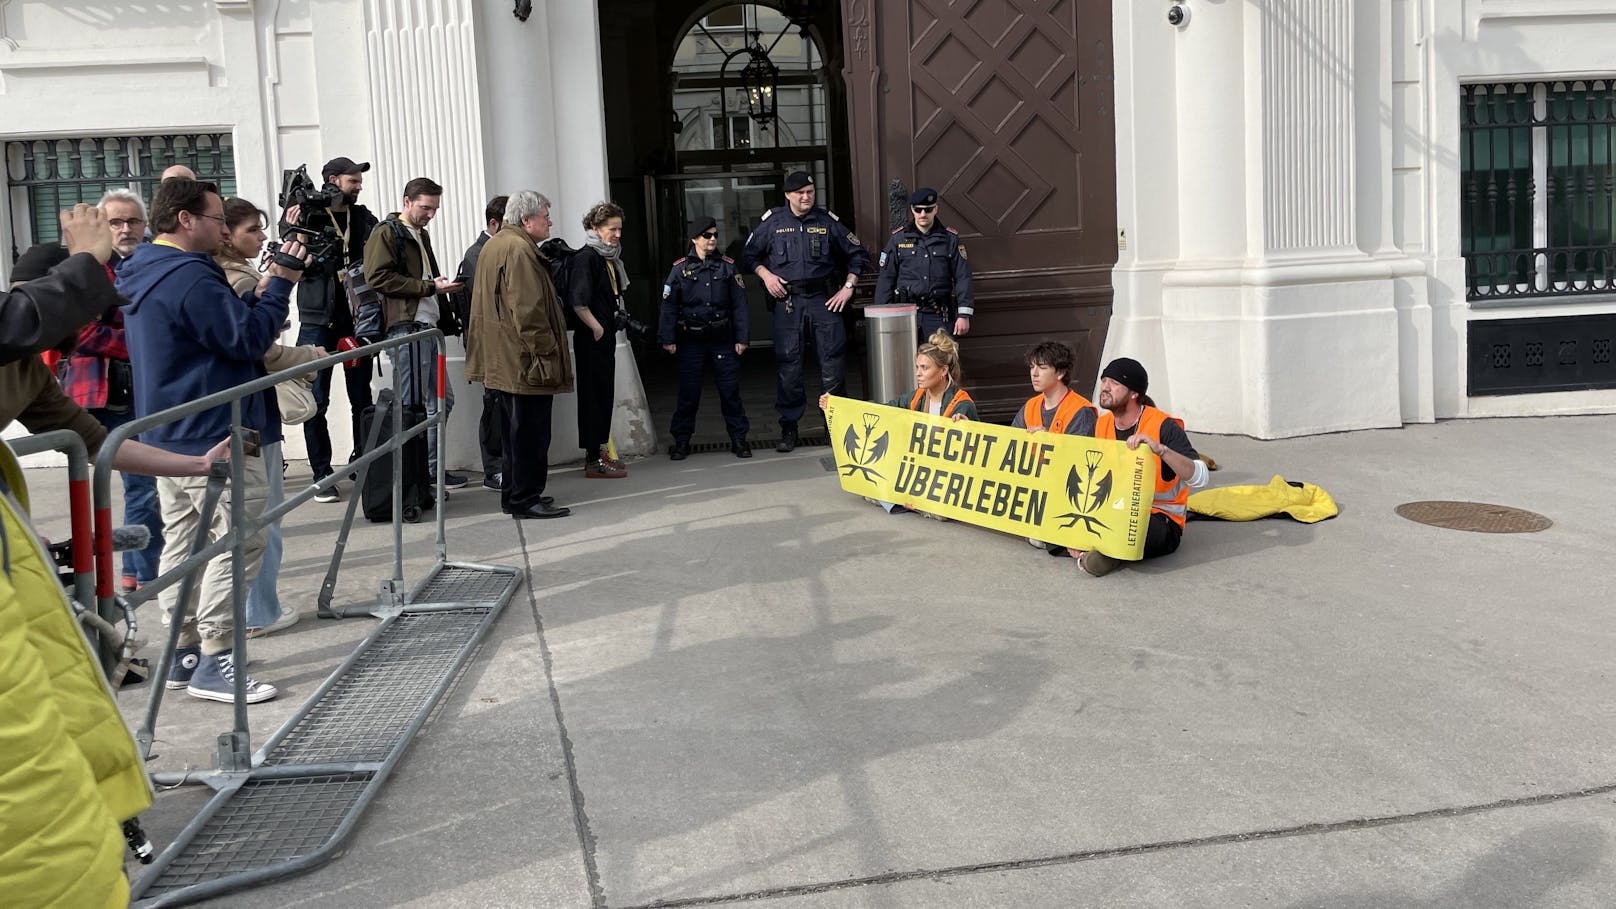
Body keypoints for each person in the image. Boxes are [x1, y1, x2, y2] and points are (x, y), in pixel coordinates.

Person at [119, 177, 308, 703]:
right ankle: (216, 656)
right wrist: (282, 282)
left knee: (184, 544)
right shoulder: (190, 278)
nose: (224, 229)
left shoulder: (140, 269)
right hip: (214, 438)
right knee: (241, 538)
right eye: (217, 219)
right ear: (185, 220)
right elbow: (247, 339)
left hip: (167, 434)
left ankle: (183, 654)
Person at [3, 244, 230, 478]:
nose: (97, 316)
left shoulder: (31, 372)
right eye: (88, 304)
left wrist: (202, 464)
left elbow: (97, 443)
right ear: (49, 305)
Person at [215, 196, 326, 638]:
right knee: (260, 519)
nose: (262, 239)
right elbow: (259, 346)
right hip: (249, 419)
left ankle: (249, 611)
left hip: (245, 416)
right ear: (226, 233)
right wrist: (309, 355)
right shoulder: (235, 278)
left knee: (247, 519)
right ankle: (258, 612)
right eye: (252, 231)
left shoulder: (230, 274)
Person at [58, 189, 165, 595]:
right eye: (116, 222)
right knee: (138, 485)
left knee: (142, 485)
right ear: (101, 225)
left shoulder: (143, 262)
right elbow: (81, 332)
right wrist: (139, 342)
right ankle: (139, 573)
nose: (125, 229)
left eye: (133, 221)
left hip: (138, 387)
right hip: (102, 391)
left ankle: (137, 570)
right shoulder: (89, 268)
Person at [741, 170, 871, 452]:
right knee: (789, 367)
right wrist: (766, 275)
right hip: (788, 303)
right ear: (788, 195)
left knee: (833, 366)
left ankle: (834, 427)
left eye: (810, 192)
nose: (806, 197)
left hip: (824, 301)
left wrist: (848, 287)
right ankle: (789, 429)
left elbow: (859, 255)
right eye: (800, 192)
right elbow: (748, 255)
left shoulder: (826, 221)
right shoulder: (773, 223)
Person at [466, 190, 574, 519]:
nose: (550, 221)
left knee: (515, 435)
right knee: (529, 434)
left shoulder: (498, 244)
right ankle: (526, 499)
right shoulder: (518, 249)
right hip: (524, 361)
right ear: (527, 221)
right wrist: (547, 354)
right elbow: (528, 311)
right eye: (545, 216)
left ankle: (516, 497)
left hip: (507, 359)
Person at [284, 157, 379, 503]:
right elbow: (289, 255)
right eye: (353, 181)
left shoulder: (363, 217)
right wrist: (291, 227)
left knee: (361, 398)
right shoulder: (307, 215)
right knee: (316, 402)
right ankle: (322, 474)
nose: (359, 186)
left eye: (359, 181)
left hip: (356, 321)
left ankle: (362, 462)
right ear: (332, 180)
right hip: (315, 322)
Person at [363, 176, 465, 489]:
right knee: (416, 407)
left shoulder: (419, 234)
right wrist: (428, 287)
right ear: (406, 202)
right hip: (408, 330)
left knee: (439, 403)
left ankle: (428, 473)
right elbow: (377, 277)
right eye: (425, 207)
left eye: (434, 209)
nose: (431, 214)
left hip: (425, 329)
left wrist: (438, 289)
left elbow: (422, 280)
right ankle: (418, 478)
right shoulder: (387, 232)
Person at [1074, 357, 1209, 577]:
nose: (1105, 387)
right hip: (1113, 508)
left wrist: (1161, 450)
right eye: (1104, 380)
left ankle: (1103, 551)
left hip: (1159, 519)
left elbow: (1201, 477)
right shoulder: (1101, 425)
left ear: (1134, 393)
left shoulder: (1163, 425)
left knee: (1130, 529)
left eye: (1115, 383)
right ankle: (1103, 549)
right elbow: (1076, 465)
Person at [820, 329, 976, 515]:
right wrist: (839, 406)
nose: (918, 373)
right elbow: (882, 410)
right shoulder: (916, 397)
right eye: (917, 367)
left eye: (924, 368)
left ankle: (914, 501)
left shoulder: (961, 403)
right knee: (870, 484)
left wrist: (967, 426)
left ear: (943, 371)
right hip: (921, 471)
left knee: (939, 508)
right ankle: (914, 501)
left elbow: (973, 454)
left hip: (946, 475)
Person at [659, 215, 751, 460]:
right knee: (688, 394)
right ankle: (681, 442)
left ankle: (739, 439)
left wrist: (742, 338)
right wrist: (667, 338)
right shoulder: (679, 269)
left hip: (722, 338)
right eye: (706, 235)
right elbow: (668, 306)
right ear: (694, 239)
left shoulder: (728, 266)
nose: (712, 240)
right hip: (692, 340)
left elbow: (740, 305)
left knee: (730, 392)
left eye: (715, 235)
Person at [0, 204, 127, 365]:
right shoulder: (23, 355)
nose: (126, 229)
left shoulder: (28, 365)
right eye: (115, 222)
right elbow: (19, 322)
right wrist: (87, 260)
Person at [1012, 341, 1097, 553]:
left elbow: (1079, 462)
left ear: (1060, 373)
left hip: (1064, 491)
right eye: (1032, 367)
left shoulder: (1080, 410)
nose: (1034, 373)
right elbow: (1009, 445)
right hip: (1034, 487)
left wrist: (1049, 440)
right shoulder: (1030, 405)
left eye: (1041, 368)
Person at [568, 201, 631, 478]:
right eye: (611, 229)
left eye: (619, 229)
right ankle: (593, 458)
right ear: (595, 228)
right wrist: (597, 328)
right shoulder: (587, 258)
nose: (617, 235)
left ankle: (600, 452)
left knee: (604, 396)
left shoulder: (609, 258)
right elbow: (578, 302)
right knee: (594, 398)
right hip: (592, 341)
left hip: (604, 338)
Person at [454, 195, 509, 489]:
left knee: (505, 406)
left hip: (503, 343)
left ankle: (504, 465)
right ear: (493, 223)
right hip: (490, 344)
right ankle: (494, 469)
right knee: (495, 406)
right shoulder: (478, 254)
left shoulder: (499, 249)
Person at [873, 187, 975, 342]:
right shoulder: (898, 240)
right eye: (918, 210)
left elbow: (963, 277)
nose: (922, 214)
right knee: (904, 363)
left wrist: (964, 315)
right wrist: (882, 317)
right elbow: (886, 280)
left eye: (928, 210)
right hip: (904, 314)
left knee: (940, 362)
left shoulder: (950, 239)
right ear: (912, 210)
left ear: (936, 209)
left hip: (938, 314)